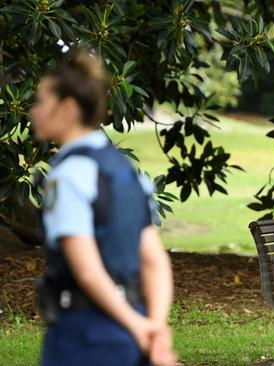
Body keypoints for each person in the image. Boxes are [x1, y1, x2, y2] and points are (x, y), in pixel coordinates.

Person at [30, 49, 176, 366]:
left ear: (67, 109)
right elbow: (154, 261)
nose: (33, 111)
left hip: (85, 336)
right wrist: (154, 327)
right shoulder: (127, 173)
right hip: (133, 328)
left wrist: (140, 327)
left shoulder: (68, 176)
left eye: (41, 101)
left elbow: (87, 273)